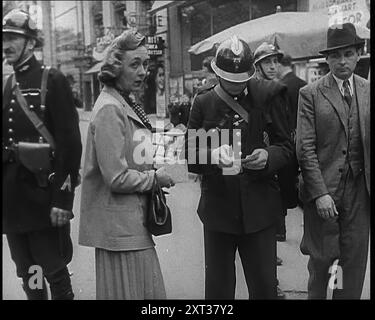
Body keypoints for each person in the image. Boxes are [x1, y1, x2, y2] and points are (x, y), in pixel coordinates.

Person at [186, 35, 293, 299]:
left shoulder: (267, 97)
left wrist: (268, 156)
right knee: (219, 291)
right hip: (218, 211)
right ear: (218, 75)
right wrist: (212, 154)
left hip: (260, 211)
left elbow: (287, 147)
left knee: (265, 288)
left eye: (241, 81)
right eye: (230, 81)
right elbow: (190, 154)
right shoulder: (204, 102)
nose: (236, 86)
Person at [78, 30, 175, 300]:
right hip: (121, 230)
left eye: (145, 64)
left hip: (127, 226)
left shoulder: (121, 101)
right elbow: (117, 177)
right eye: (135, 64)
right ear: (116, 66)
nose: (143, 71)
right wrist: (156, 179)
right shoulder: (111, 108)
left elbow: (130, 156)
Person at [2, 9, 82, 300]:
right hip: (13, 202)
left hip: (43, 198)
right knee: (28, 272)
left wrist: (63, 199)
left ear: (30, 43)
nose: (6, 44)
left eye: (13, 38)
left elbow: (70, 146)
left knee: (54, 270)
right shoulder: (8, 85)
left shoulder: (53, 80)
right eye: (4, 38)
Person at [296, 23, 370, 299]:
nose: (342, 61)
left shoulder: (366, 90)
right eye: (336, 55)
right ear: (326, 59)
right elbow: (305, 148)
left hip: (360, 192)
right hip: (324, 192)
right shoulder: (311, 93)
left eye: (348, 54)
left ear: (358, 54)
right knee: (323, 263)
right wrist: (320, 194)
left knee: (353, 263)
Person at [277, 54, 307, 218]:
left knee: (286, 177)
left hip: (287, 136)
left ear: (281, 65)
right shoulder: (303, 84)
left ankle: (282, 224)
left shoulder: (281, 87)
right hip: (303, 133)